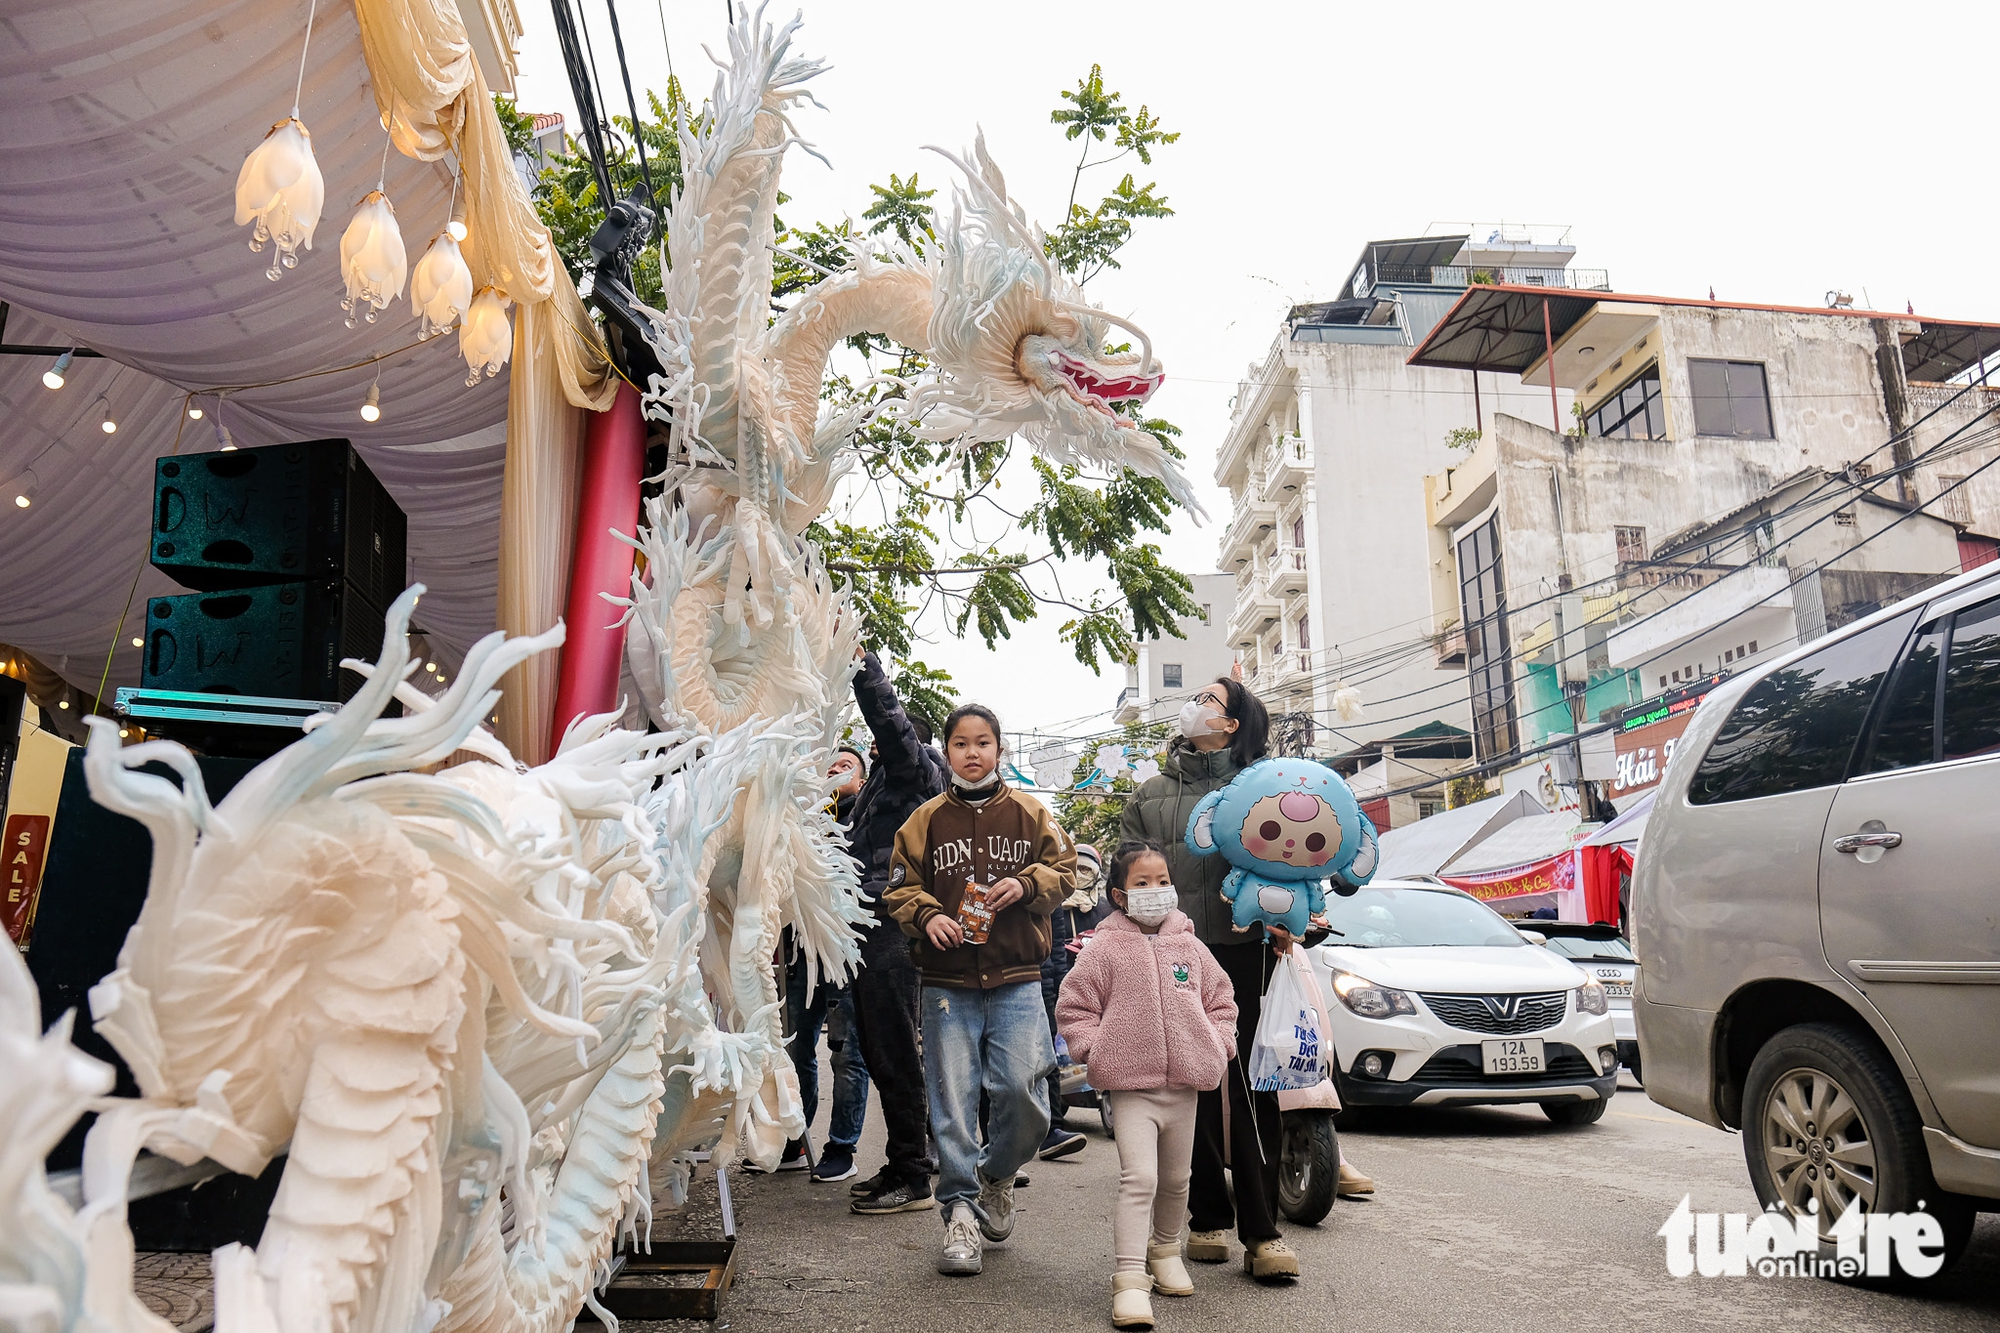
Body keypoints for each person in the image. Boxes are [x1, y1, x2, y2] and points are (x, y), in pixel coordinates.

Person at [1119, 679, 1313, 1279]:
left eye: (1208, 698)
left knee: (1251, 1092)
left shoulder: (1261, 788)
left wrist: (1286, 922)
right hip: (1171, 958)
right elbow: (1124, 877)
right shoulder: (1150, 795)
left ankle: (1261, 1233)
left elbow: (1291, 863)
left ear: (1232, 725)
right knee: (1189, 1087)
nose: (1194, 704)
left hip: (1240, 952)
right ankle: (1206, 1219)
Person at [882, 703, 1076, 1276]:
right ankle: (959, 1214)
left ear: (1000, 750)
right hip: (946, 985)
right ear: (946, 752)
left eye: (983, 743)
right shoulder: (924, 821)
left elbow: (1067, 871)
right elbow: (898, 886)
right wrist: (924, 915)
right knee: (952, 1103)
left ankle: (996, 1174)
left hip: (1016, 980)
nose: (972, 753)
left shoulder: (1031, 814)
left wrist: (1026, 882)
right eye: (961, 743)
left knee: (1026, 1096)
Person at [1057, 840, 1237, 1330]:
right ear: (1119, 894)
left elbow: (1222, 1002)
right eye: (1142, 883)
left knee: (1179, 1180)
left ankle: (1165, 1251)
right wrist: (1094, 1050)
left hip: (1185, 1085)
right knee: (1140, 1180)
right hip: (1131, 1087)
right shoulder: (1104, 949)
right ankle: (1130, 1279)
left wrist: (1218, 1044)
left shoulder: (1192, 947)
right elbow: (1074, 1006)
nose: (1155, 891)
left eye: (1162, 882)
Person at [844, 653, 950, 1215]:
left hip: (892, 928)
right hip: (865, 928)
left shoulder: (919, 771)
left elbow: (892, 724)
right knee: (877, 1047)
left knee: (894, 1050)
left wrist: (865, 669)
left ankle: (913, 1174)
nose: (876, 741)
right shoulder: (878, 786)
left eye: (884, 735)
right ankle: (909, 1160)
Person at [773, 745, 873, 1181]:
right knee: (797, 1050)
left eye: (845, 766)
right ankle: (795, 1138)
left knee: (847, 1054)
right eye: (828, 766)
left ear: (862, 781)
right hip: (800, 953)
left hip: (845, 955)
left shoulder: (865, 818)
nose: (834, 771)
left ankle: (842, 1148)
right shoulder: (800, 819)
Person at [1037, 840, 1101, 1161]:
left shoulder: (1054, 897)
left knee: (1048, 1059)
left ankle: (1052, 1130)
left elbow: (1058, 954)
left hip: (1047, 986)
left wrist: (1063, 989)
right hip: (1009, 979)